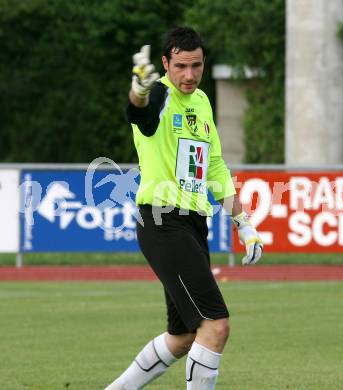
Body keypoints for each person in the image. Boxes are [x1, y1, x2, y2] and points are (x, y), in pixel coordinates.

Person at [105, 26, 263, 390]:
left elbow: (215, 168)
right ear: (165, 63)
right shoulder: (159, 93)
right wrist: (139, 90)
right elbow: (139, 113)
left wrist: (244, 222)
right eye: (180, 66)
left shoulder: (203, 102)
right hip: (163, 222)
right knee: (216, 325)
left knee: (184, 337)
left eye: (197, 66)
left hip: (192, 225)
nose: (189, 75)